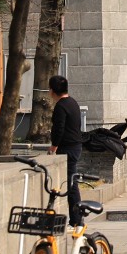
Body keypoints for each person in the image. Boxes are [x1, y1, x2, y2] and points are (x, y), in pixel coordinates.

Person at [47, 75, 84, 227]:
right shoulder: (73, 102)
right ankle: (76, 218)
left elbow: (58, 129)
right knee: (71, 182)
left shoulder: (61, 106)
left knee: (71, 184)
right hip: (76, 146)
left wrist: (54, 146)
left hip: (68, 148)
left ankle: (76, 219)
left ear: (52, 91)